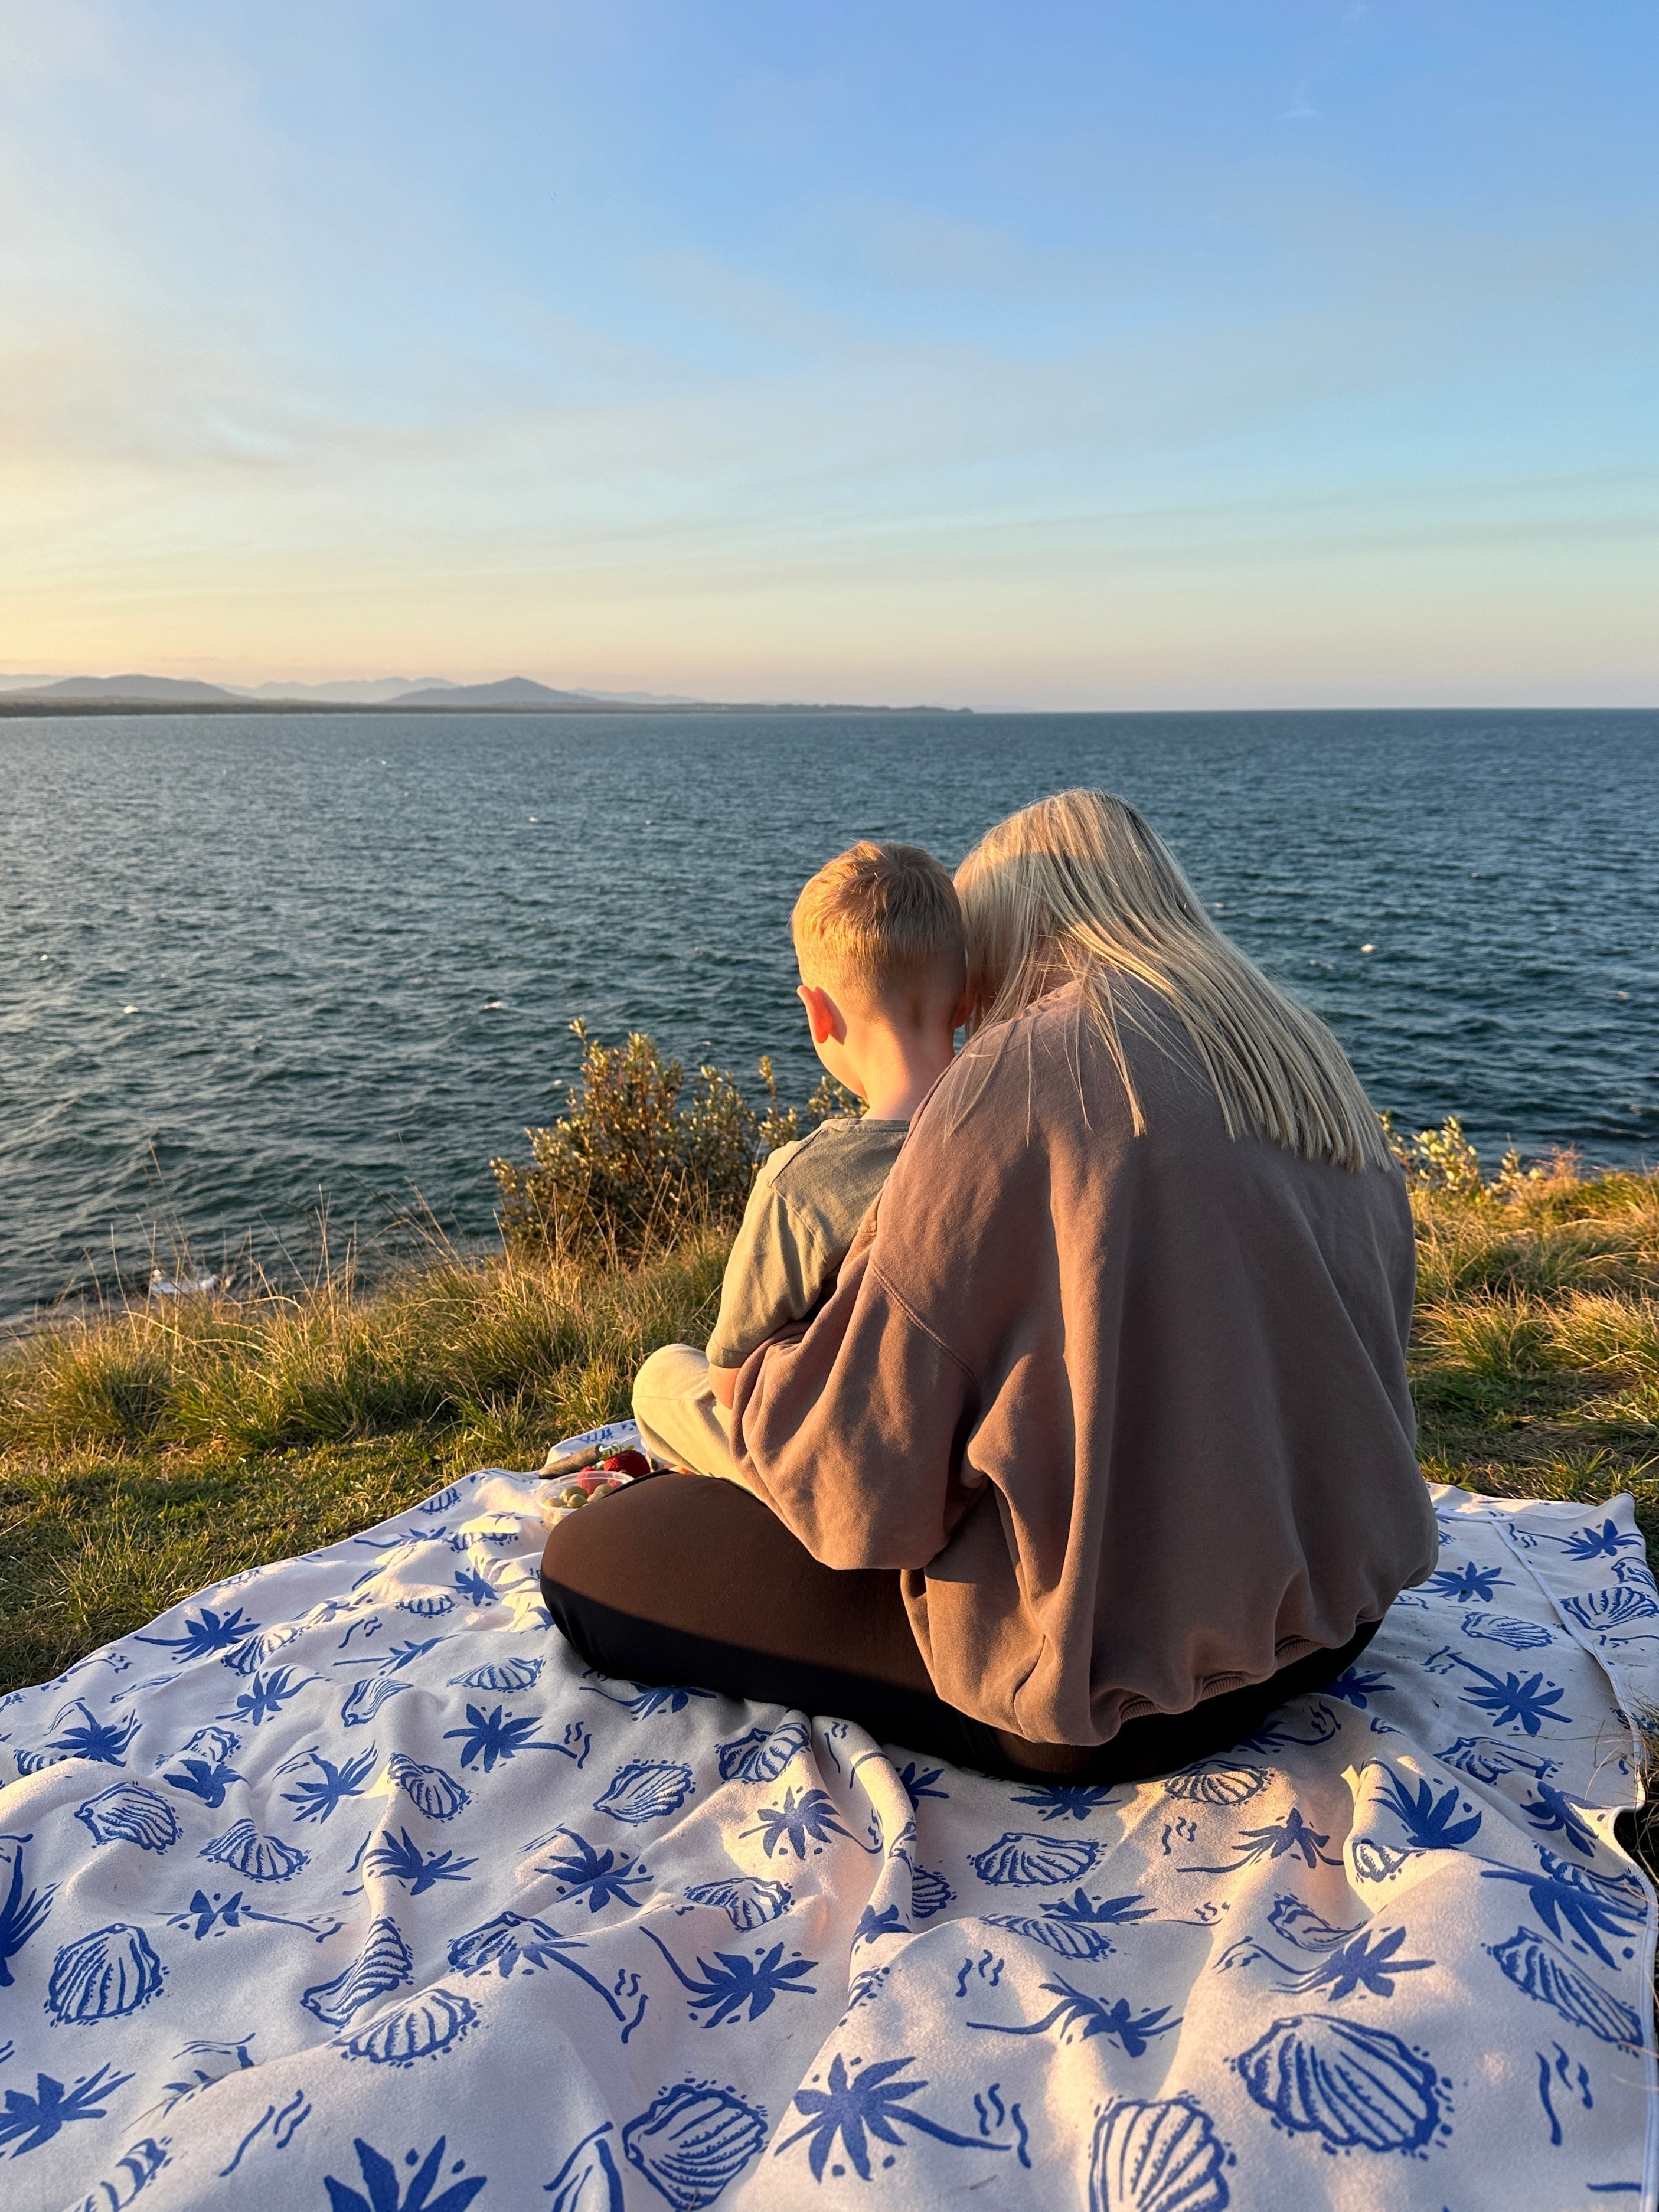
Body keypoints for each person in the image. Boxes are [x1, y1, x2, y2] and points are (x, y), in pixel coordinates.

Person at [542, 789, 1438, 1783]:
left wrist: (711, 1399)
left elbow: (861, 1488)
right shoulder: (1300, 1055)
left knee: (592, 1566)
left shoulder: (1022, 1074)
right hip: (1342, 1614)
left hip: (1111, 1686)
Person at [631, 839, 965, 1484]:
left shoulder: (805, 1182)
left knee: (663, 1377)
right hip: (961, 1462)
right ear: (968, 997)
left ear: (816, 1013)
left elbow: (731, 1384)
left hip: (847, 1475)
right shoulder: (1013, 1137)